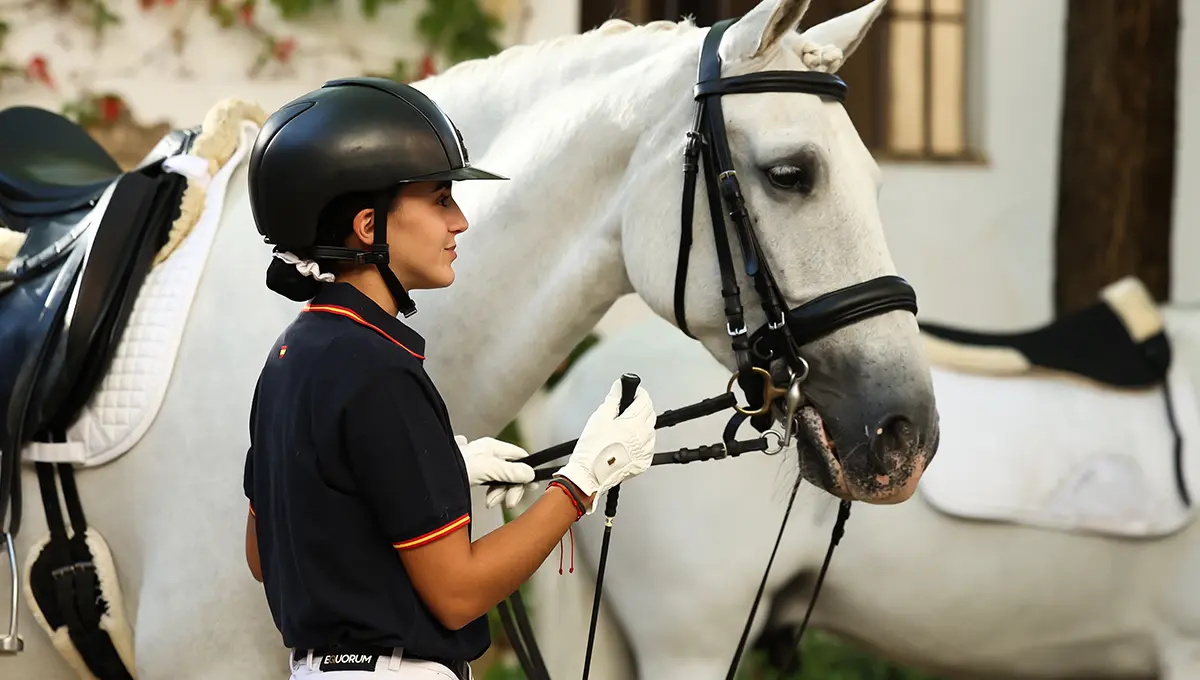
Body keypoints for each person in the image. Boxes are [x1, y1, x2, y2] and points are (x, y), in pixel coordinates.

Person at [241, 77, 658, 680]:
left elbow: (265, 553)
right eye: (440, 199)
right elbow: (458, 593)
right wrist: (583, 481)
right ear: (367, 227)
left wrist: (427, 474)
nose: (460, 221)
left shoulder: (290, 355)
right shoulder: (378, 368)